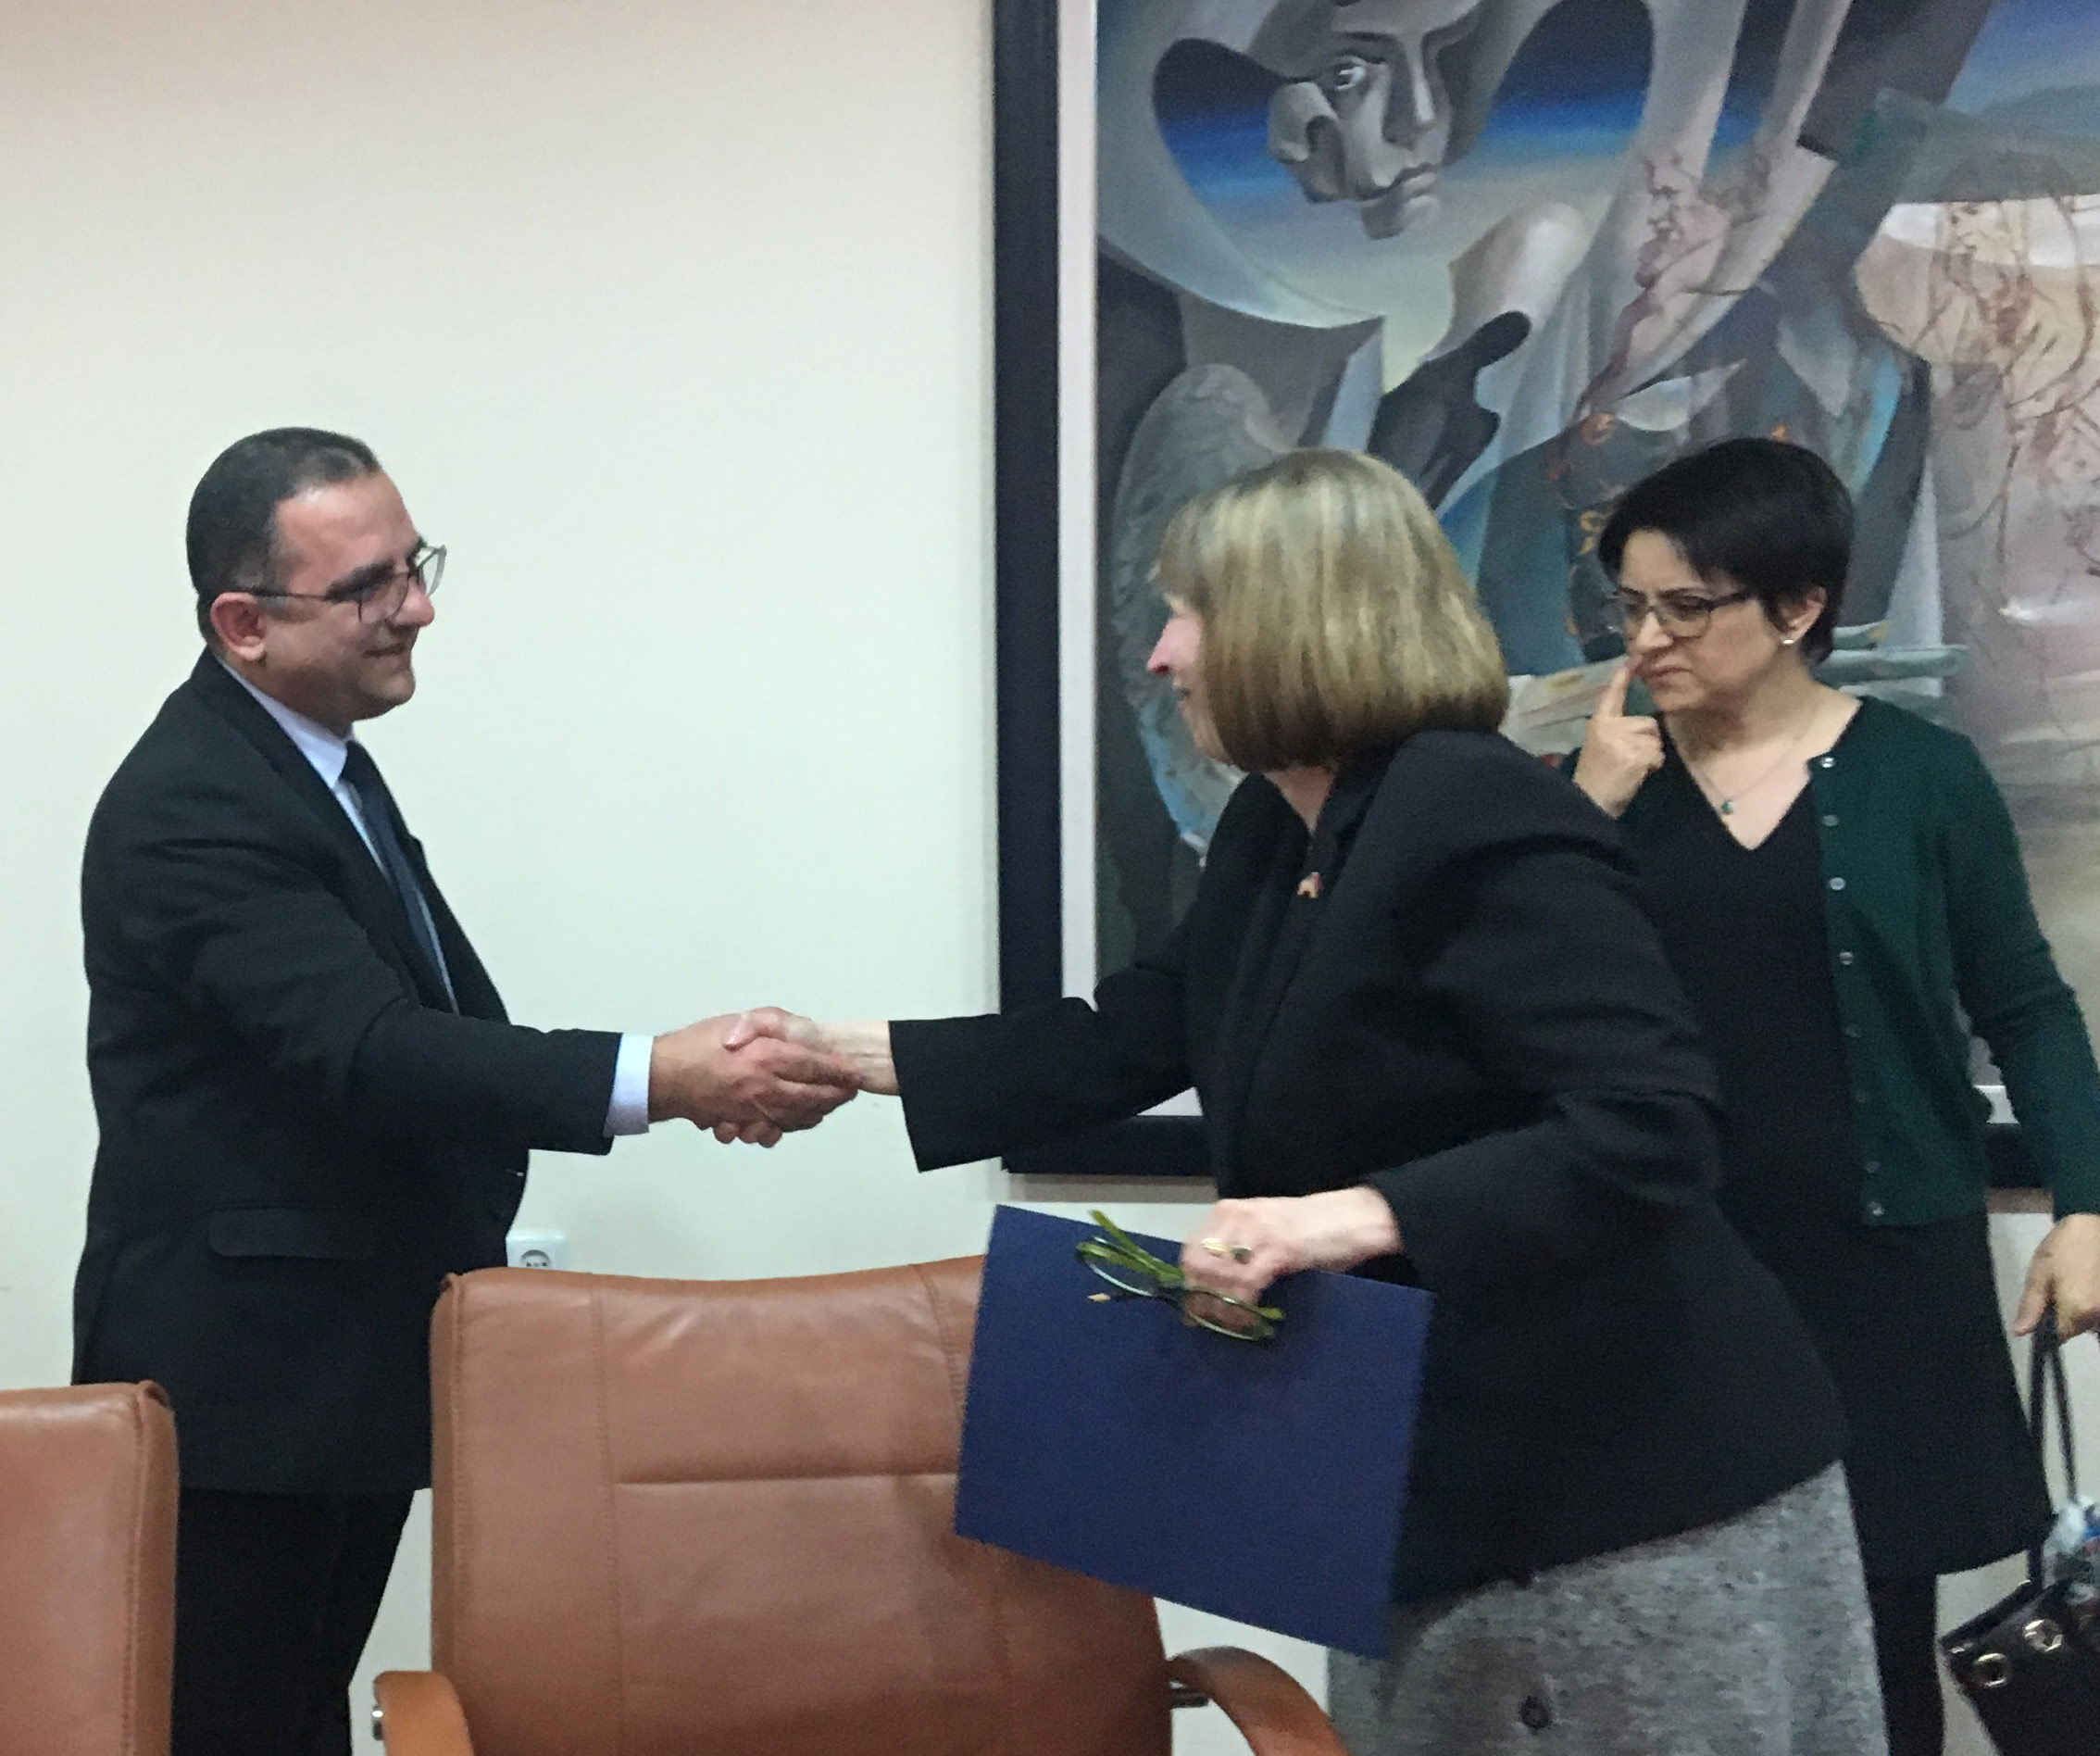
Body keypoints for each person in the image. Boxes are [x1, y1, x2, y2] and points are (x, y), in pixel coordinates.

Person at [735, 447, 1887, 1754]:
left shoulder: (1473, 809)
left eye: (1189, 614)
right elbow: (1135, 1031)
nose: (1163, 654)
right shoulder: (1279, 825)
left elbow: (1649, 1126)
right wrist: (848, 1056)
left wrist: (1331, 1221)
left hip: (1623, 1499)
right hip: (1436, 1484)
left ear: (1295, 622)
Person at [75, 428, 860, 1756]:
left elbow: (425, 1036)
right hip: (246, 1399)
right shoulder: (195, 802)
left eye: (415, 565)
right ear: (243, 623)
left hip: (334, 1375)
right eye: (367, 587)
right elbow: (376, 1053)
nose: (416, 609)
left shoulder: (312, 761)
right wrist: (663, 1077)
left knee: (294, 1721)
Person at [1570, 435, 2100, 1756]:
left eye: (1687, 607)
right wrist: (1583, 814)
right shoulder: (1602, 790)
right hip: (1673, 1275)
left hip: (1882, 1276)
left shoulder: (1921, 778)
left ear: (1800, 606)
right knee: (1664, 1641)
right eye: (1630, 607)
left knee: (1872, 1644)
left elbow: (2026, 1006)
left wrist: (2087, 1206)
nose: (1648, 639)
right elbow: (1530, 1015)